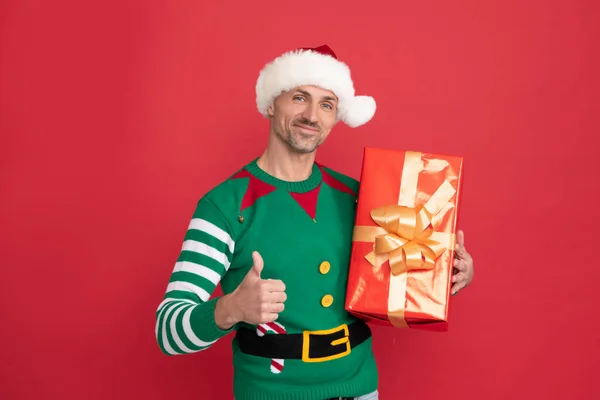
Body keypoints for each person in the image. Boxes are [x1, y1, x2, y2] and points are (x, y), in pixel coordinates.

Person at [154, 45, 475, 400]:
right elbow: (168, 332)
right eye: (299, 98)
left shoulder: (359, 197)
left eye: (326, 104)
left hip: (360, 386)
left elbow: (395, 285)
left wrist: (444, 269)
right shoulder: (224, 207)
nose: (311, 115)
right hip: (271, 392)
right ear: (272, 103)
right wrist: (230, 308)